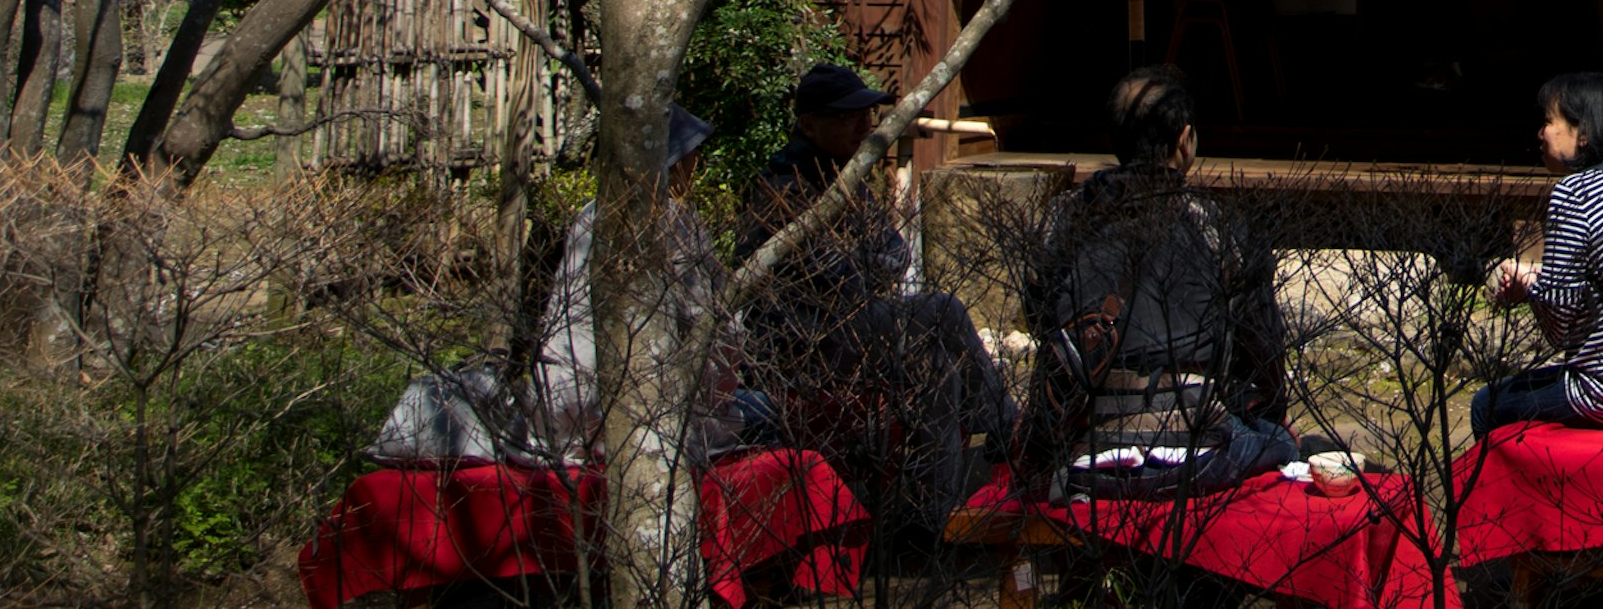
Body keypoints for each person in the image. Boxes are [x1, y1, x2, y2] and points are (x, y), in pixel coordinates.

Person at [736, 61, 1016, 531]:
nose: (865, 126)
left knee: (938, 369)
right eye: (848, 116)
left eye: (867, 114)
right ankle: (1005, 426)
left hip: (857, 328)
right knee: (940, 308)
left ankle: (933, 517)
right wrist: (857, 264)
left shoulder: (847, 179)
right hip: (806, 345)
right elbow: (837, 276)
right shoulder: (782, 188)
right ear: (808, 125)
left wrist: (858, 263)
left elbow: (894, 255)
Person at [1022, 64, 1297, 494]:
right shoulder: (1217, 226)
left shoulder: (1065, 221)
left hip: (1087, 447)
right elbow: (1261, 353)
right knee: (1281, 442)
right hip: (1197, 448)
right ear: (1185, 139)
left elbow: (1041, 321)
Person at [1473, 70, 1603, 436]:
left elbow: (1560, 327)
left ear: (1583, 133)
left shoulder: (1576, 193)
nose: (1541, 133)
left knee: (1484, 404)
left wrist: (1527, 289)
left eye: (1549, 121)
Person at [530, 106, 744, 462]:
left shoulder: (590, 213)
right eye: (692, 158)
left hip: (560, 401)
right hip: (633, 409)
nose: (696, 168)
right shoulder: (674, 221)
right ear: (674, 162)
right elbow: (711, 322)